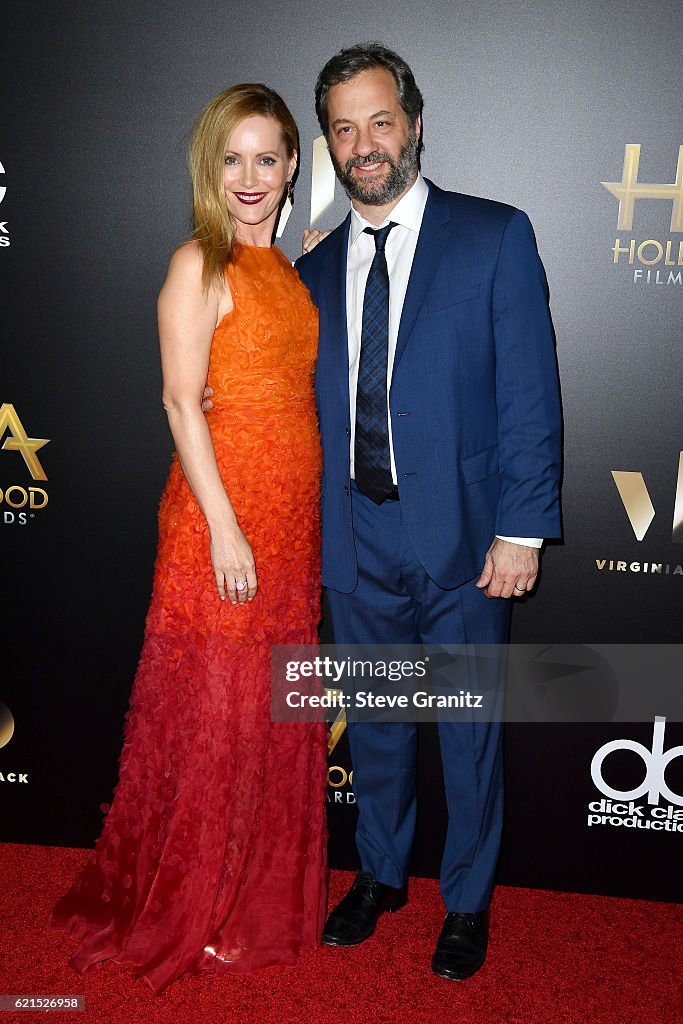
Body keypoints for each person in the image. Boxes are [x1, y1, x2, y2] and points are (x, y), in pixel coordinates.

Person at [49, 84, 327, 994]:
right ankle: (192, 904)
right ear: (210, 168)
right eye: (231, 158)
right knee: (211, 714)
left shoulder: (287, 271)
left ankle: (249, 897)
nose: (249, 177)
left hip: (290, 525)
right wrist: (224, 531)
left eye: (268, 158)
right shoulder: (195, 265)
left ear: (292, 169)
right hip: (225, 521)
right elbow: (180, 400)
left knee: (263, 712)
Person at [295, 43, 562, 981]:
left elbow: (530, 395)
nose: (364, 145)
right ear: (329, 143)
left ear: (411, 122)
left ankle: (467, 900)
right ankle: (377, 875)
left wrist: (522, 529)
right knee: (372, 721)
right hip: (354, 529)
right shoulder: (314, 268)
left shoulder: (493, 235)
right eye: (343, 128)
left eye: (378, 121)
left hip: (462, 534)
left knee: (466, 732)